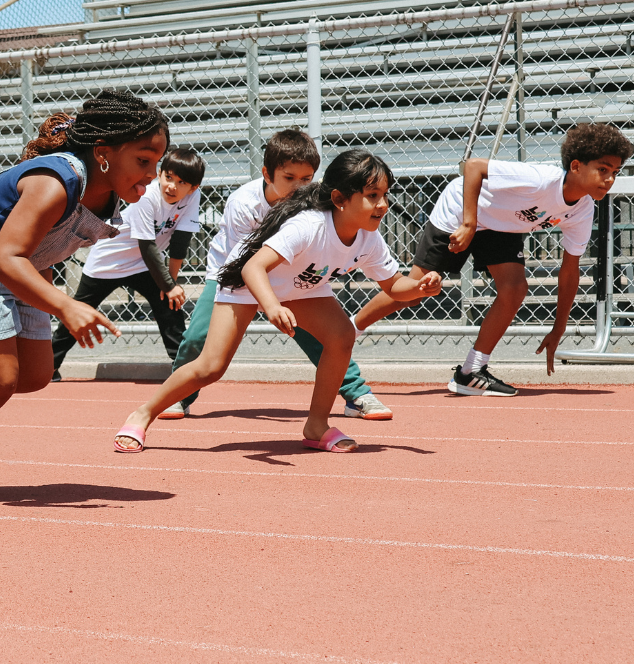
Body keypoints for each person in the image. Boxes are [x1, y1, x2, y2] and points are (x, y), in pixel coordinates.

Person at [0, 91, 167, 503]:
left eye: (156, 162)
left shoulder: (111, 195)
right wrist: (64, 304)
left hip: (24, 263)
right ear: (103, 153)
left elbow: (36, 248)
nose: (152, 173)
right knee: (0, 378)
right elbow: (7, 258)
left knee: (33, 374)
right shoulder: (56, 182)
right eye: (143, 160)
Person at [115, 151, 442, 455]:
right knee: (211, 366)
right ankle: (142, 413)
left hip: (299, 286)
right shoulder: (309, 226)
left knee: (341, 336)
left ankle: (317, 426)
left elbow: (395, 285)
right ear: (340, 199)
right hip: (248, 282)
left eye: (385, 195)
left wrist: (418, 287)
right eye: (373, 196)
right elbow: (252, 267)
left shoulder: (367, 237)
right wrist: (270, 306)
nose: (383, 204)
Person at [351, 122, 632, 395]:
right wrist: (469, 224)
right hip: (463, 208)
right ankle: (347, 331)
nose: (609, 179)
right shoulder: (540, 179)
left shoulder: (582, 210)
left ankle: (471, 371)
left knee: (514, 287)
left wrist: (558, 328)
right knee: (413, 291)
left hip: (502, 225)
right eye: (603, 169)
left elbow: (570, 271)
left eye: (615, 172)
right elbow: (474, 167)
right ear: (575, 166)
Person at [162, 130, 391, 421]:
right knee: (198, 337)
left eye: (306, 179)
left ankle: (355, 392)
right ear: (268, 174)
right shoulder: (244, 203)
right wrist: (270, 302)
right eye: (289, 177)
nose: (299, 186)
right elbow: (245, 264)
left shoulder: (314, 201)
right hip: (234, 274)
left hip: (287, 274)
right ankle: (178, 396)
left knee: (323, 334)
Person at [49, 145, 203, 377]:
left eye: (181, 183)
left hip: (145, 265)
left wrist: (171, 283)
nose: (172, 186)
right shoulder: (147, 197)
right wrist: (169, 286)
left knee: (169, 307)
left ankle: (182, 369)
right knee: (80, 310)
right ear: (160, 173)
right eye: (168, 177)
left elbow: (181, 241)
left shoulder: (192, 197)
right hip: (109, 263)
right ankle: (49, 365)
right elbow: (147, 246)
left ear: (193, 188)